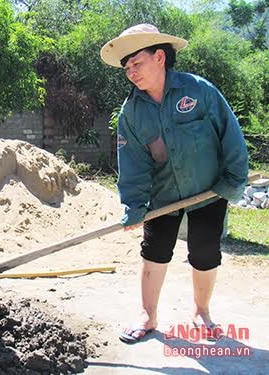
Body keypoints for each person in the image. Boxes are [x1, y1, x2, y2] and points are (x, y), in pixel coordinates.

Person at [100, 24, 248, 343]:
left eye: (136, 64)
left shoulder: (199, 91)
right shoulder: (132, 112)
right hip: (163, 195)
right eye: (126, 68)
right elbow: (134, 164)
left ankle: (201, 312)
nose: (131, 73)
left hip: (209, 190)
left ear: (159, 57)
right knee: (154, 251)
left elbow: (230, 134)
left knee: (205, 252)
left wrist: (233, 180)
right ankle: (147, 316)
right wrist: (135, 205)